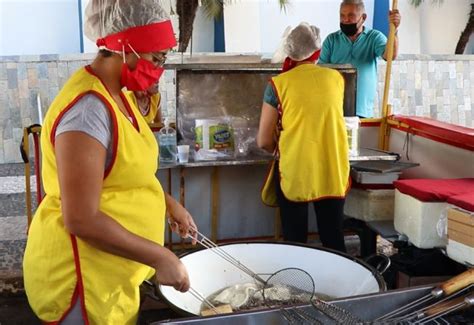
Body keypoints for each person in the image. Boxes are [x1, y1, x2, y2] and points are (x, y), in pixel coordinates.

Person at [22, 1, 197, 324]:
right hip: (82, 282)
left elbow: (124, 174)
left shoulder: (120, 95)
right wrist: (161, 256)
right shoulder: (88, 111)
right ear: (125, 48)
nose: (159, 68)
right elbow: (81, 219)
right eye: (156, 58)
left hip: (112, 276)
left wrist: (168, 204)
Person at [258, 22, 350, 253]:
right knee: (333, 239)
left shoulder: (278, 85)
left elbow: (263, 141)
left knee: (296, 243)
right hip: (332, 168)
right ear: (317, 52)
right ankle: (340, 285)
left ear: (290, 52)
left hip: (296, 170)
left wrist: (279, 148)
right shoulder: (336, 79)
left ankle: (297, 286)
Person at [319, 0, 401, 118]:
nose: (345, 20)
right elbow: (321, 72)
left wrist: (394, 30)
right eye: (342, 16)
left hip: (363, 112)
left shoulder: (374, 37)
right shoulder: (331, 40)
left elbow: (390, 56)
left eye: (351, 15)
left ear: (363, 17)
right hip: (333, 110)